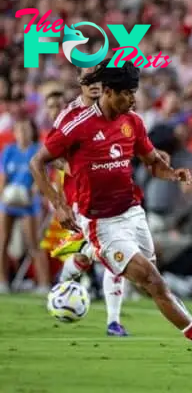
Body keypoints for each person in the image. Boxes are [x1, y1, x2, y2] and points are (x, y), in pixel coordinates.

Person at [29, 59, 192, 361]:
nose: (133, 99)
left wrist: (172, 173)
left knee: (148, 283)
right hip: (101, 222)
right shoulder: (78, 125)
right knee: (154, 281)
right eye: (128, 93)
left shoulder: (133, 122)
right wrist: (59, 205)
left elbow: (152, 162)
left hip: (133, 213)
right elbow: (37, 162)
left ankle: (83, 257)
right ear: (109, 92)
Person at [46, 66, 131, 337]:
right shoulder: (68, 116)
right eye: (88, 78)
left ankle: (62, 287)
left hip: (113, 199)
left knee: (91, 256)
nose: (94, 83)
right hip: (79, 199)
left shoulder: (116, 111)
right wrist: (76, 167)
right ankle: (113, 321)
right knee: (114, 254)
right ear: (80, 81)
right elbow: (50, 155)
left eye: (98, 78)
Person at [0, 118, 49, 294]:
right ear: (14, 133)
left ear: (31, 132)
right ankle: (3, 282)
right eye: (19, 130)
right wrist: (4, 194)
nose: (22, 133)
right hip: (8, 202)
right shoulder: (9, 151)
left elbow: (41, 178)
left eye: (26, 130)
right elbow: (3, 177)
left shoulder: (37, 151)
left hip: (29, 203)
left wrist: (33, 193)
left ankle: (44, 284)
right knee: (2, 241)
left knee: (34, 243)